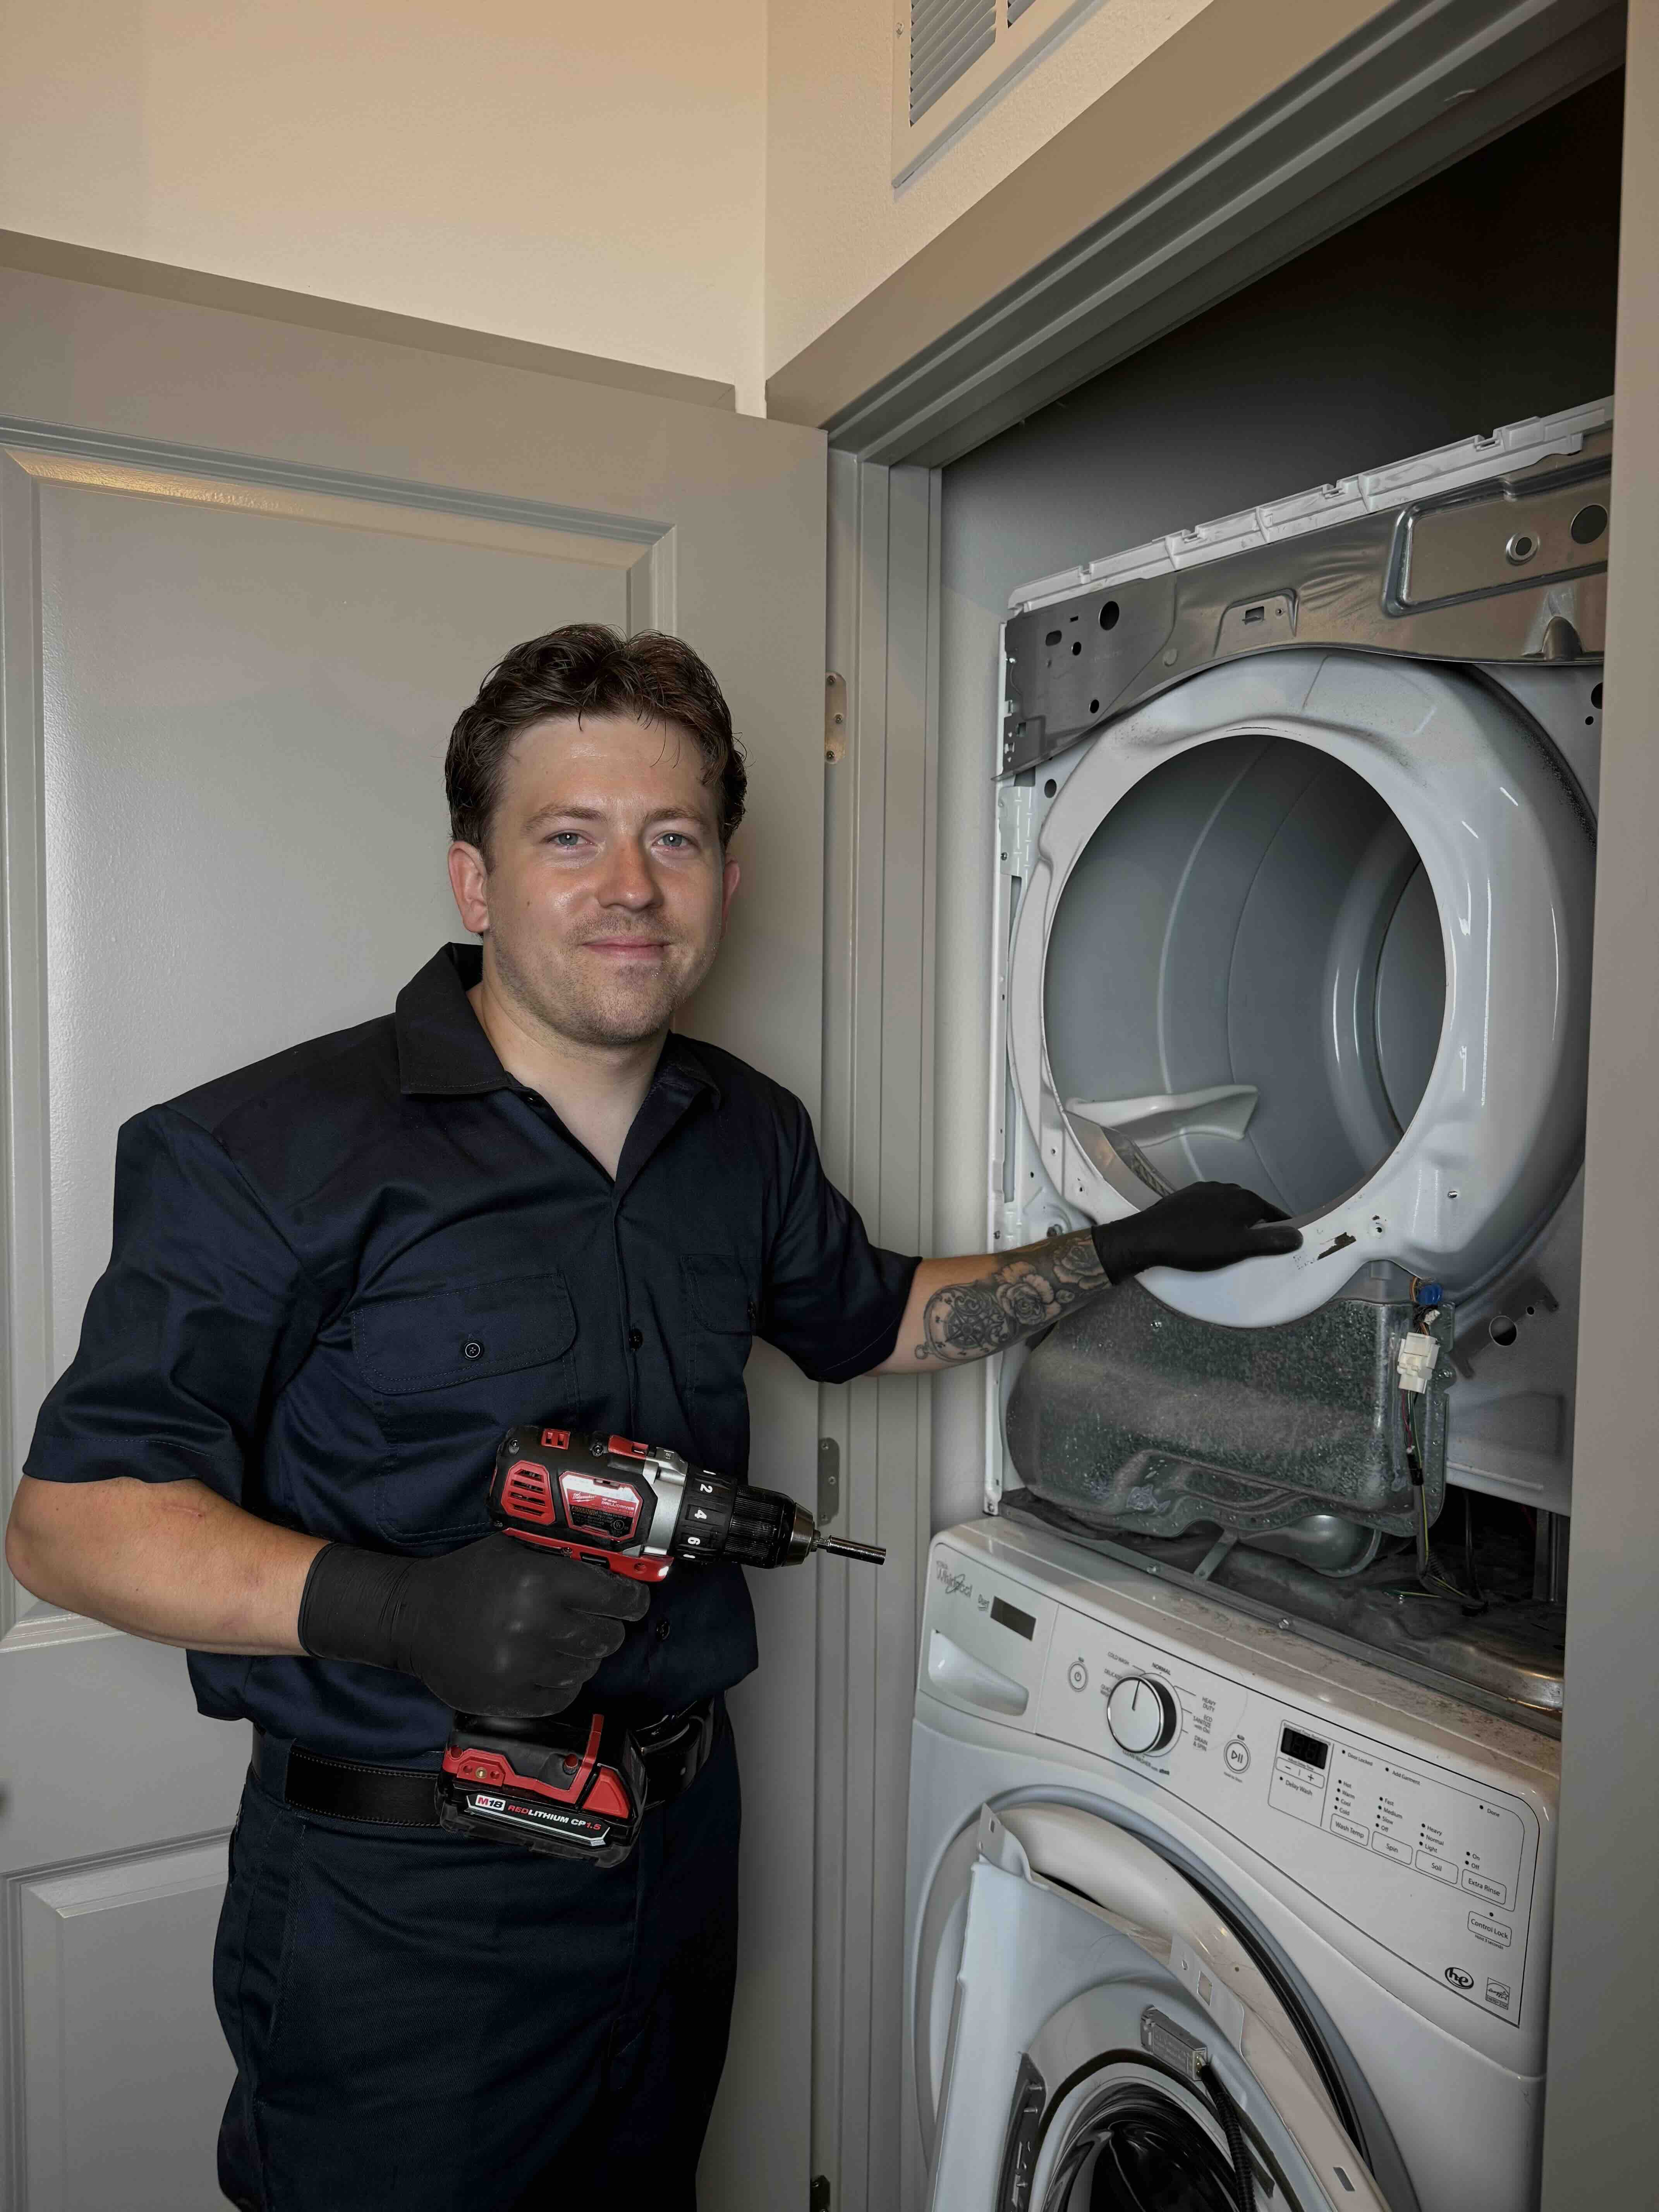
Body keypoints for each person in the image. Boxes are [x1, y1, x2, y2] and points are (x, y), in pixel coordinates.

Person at [4, 625, 1299, 2210]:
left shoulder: (744, 1132)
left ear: (725, 879)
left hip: (677, 1856)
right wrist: (398, 1609)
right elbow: (70, 1524)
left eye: (671, 839)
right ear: (476, 882)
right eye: (571, 837)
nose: (631, 885)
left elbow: (872, 1316)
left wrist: (1116, 1251)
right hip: (408, 1901)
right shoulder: (267, 1149)